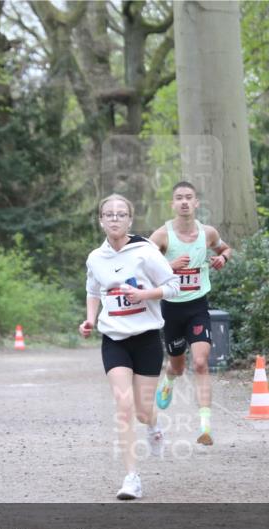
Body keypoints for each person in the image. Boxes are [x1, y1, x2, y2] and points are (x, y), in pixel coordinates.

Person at [79, 194, 180, 500]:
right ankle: (131, 478)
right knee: (123, 406)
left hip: (146, 338)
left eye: (121, 214)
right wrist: (90, 319)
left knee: (143, 411)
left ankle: (153, 426)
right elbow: (93, 290)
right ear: (101, 221)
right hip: (114, 340)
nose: (115, 219)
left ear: (130, 220)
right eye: (109, 214)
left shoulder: (145, 251)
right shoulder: (96, 257)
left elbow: (173, 286)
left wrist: (146, 295)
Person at [149, 181, 233, 446]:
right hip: (171, 309)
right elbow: (142, 267)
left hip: (198, 307)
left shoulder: (207, 233)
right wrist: (169, 266)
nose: (184, 202)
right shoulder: (161, 236)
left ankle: (205, 426)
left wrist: (222, 259)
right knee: (178, 365)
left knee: (200, 363)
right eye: (179, 198)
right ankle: (169, 379)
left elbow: (226, 248)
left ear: (196, 203)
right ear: (172, 204)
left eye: (189, 197)